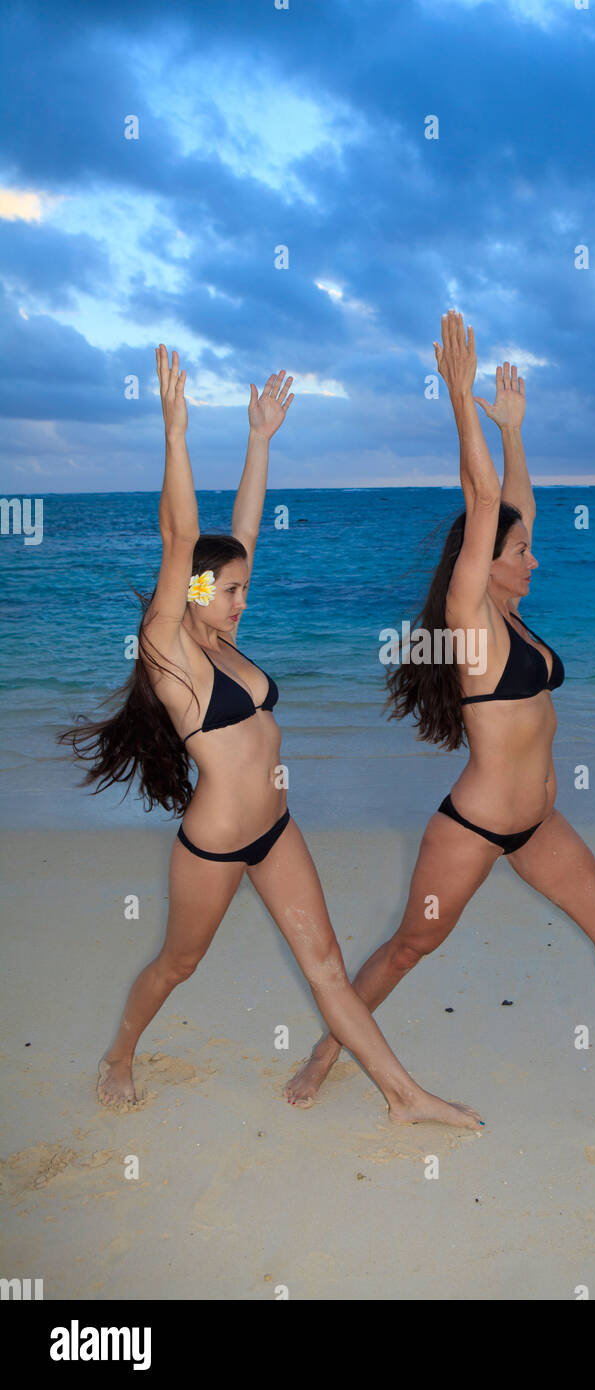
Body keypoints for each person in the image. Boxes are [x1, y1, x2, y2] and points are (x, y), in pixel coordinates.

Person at [285, 309, 595, 1107]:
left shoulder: (514, 614)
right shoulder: (472, 618)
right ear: (481, 564)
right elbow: (485, 495)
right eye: (519, 551)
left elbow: (511, 497)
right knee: (408, 948)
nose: (534, 557)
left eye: (529, 547)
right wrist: (460, 399)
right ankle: (329, 1051)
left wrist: (516, 430)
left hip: (539, 824)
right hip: (476, 825)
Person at [57, 344, 483, 1132]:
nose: (240, 602)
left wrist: (259, 441)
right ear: (191, 592)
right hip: (217, 842)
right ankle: (120, 1053)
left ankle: (404, 1097)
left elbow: (239, 530)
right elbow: (182, 536)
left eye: (245, 590)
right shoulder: (169, 643)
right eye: (228, 592)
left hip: (276, 829)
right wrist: (175, 431)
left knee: (324, 966)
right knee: (179, 963)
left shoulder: (223, 643)